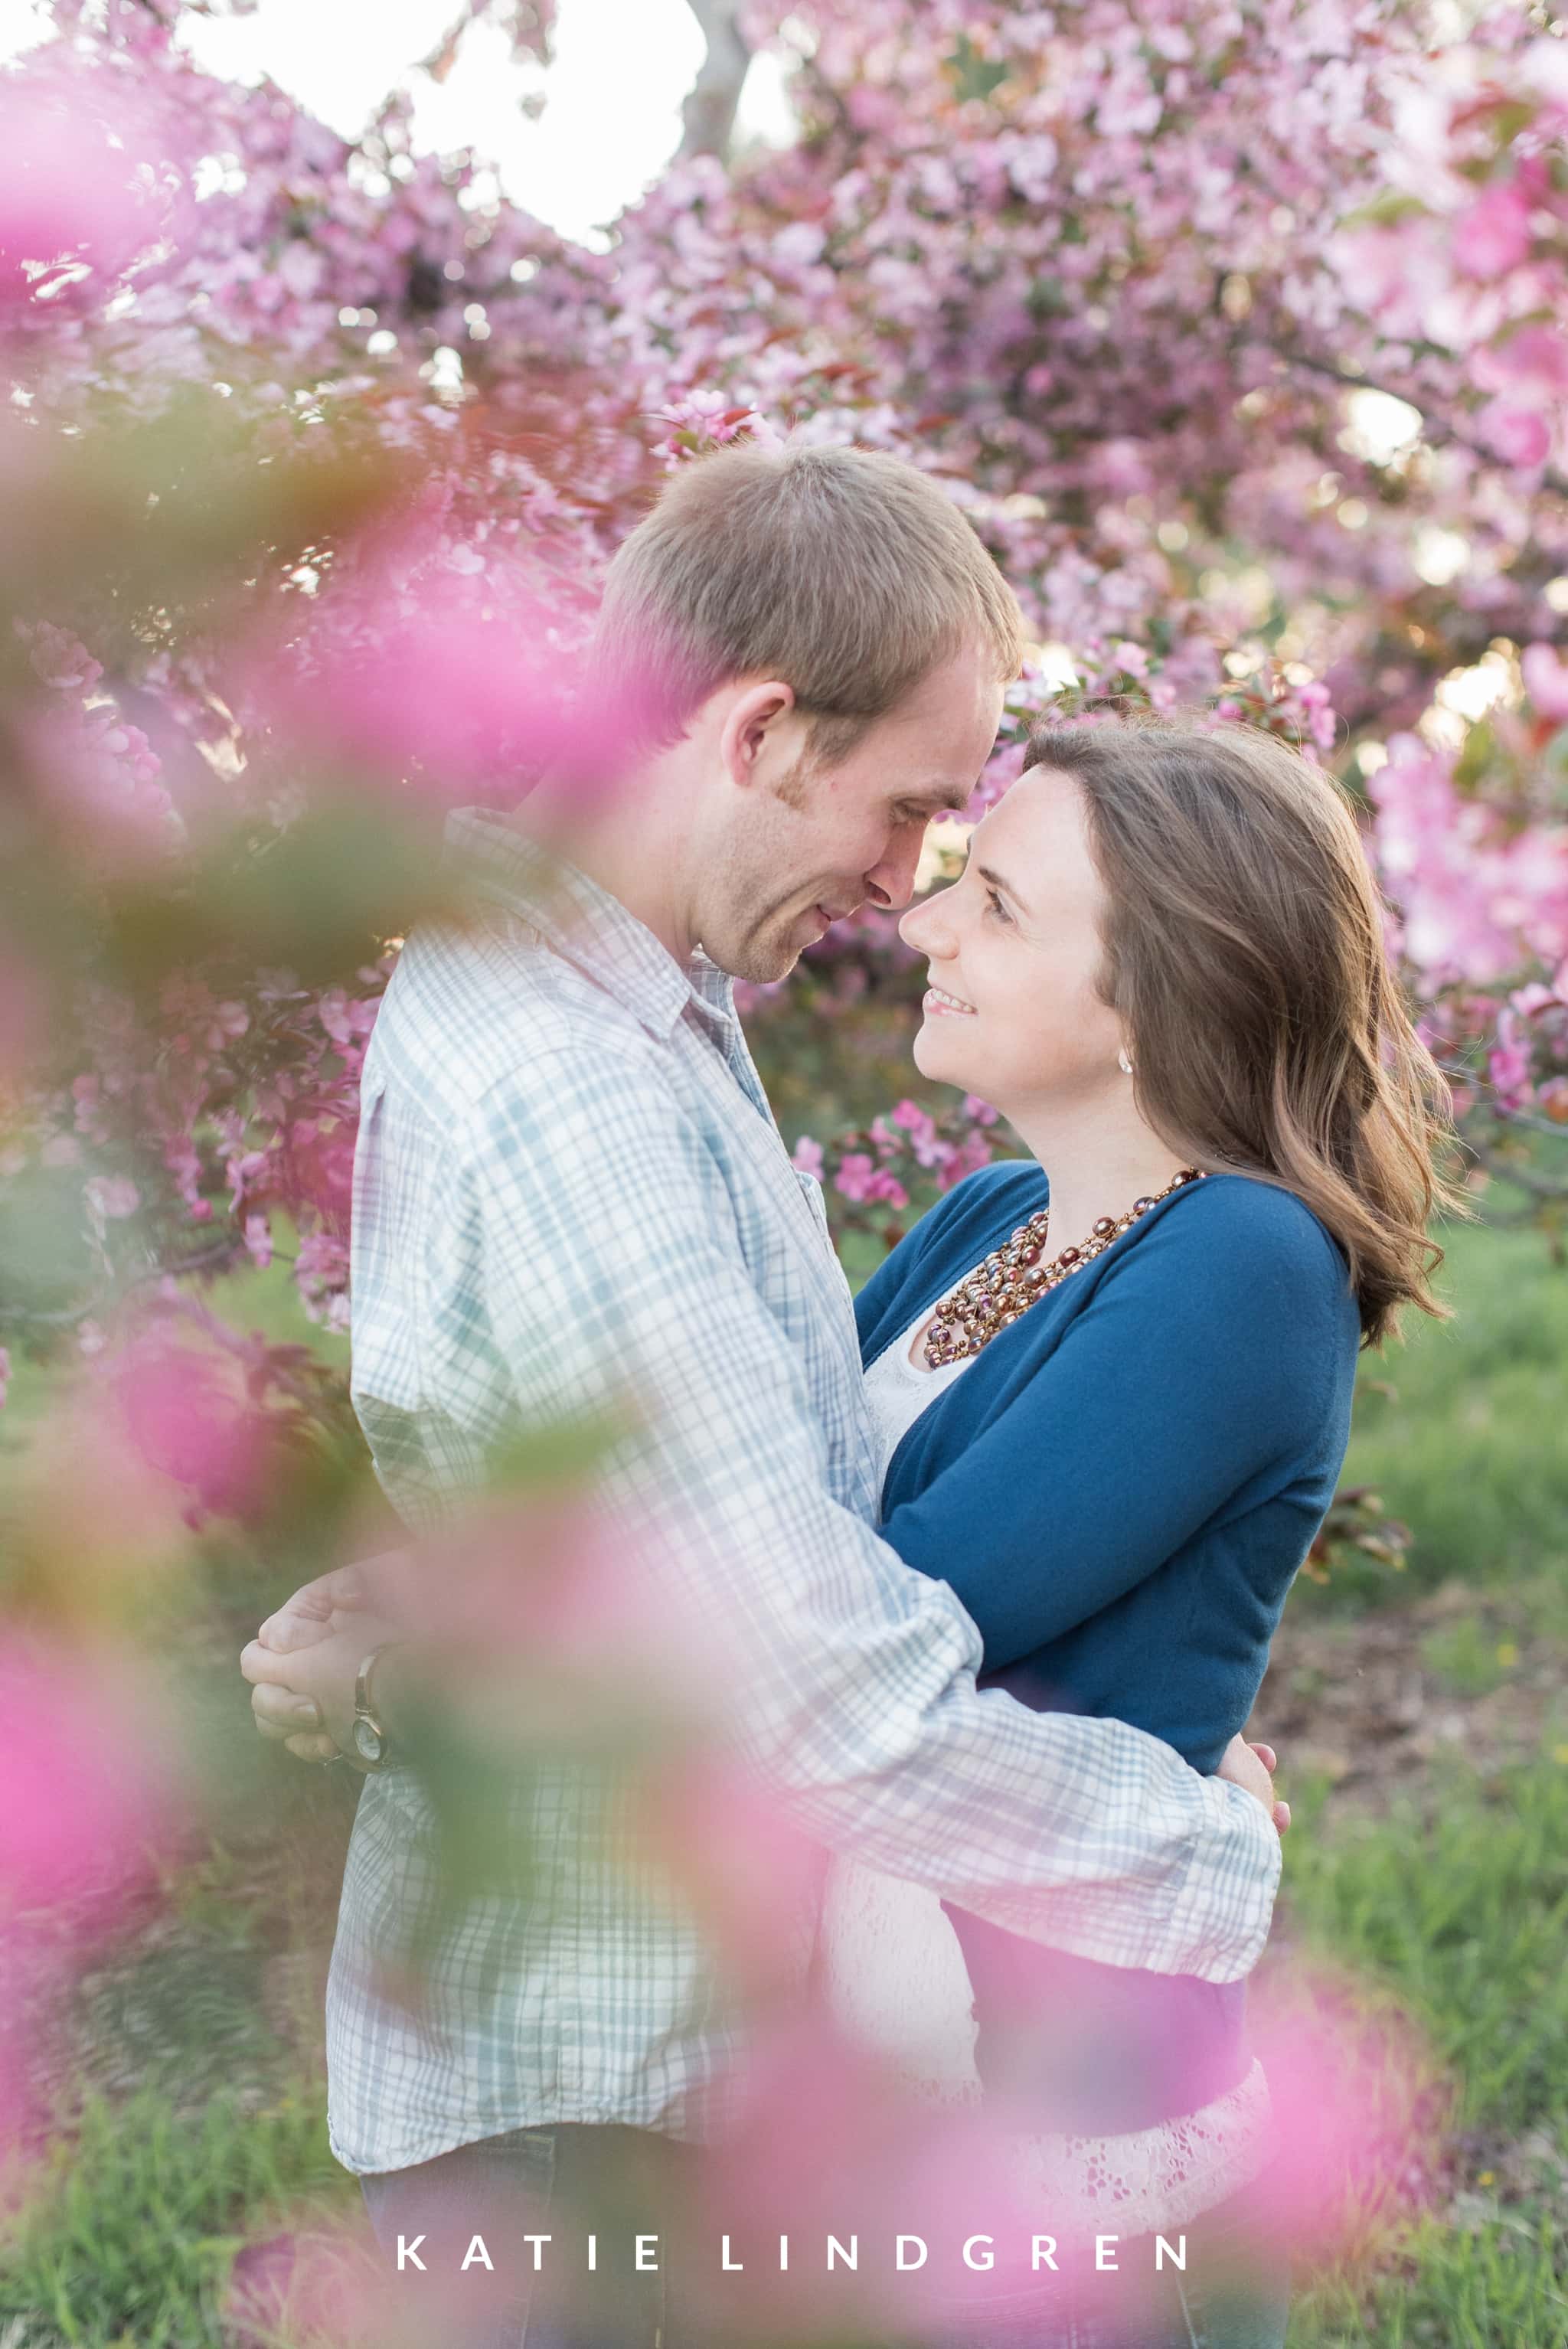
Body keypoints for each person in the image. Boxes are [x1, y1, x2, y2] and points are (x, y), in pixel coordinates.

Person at [240, 441, 1288, 2349]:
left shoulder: (647, 1008)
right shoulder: (575, 1070)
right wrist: (1198, 1847)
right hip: (594, 2089)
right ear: (754, 732)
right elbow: (822, 1692)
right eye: (899, 812)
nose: (904, 886)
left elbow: (720, 1523)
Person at [813, 713, 1456, 2347]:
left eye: (999, 901)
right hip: (883, 2051)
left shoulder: (1241, 1262)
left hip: (1062, 2113)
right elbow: (758, 1497)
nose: (924, 919)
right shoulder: (993, 1214)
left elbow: (882, 1619)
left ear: (1157, 995)